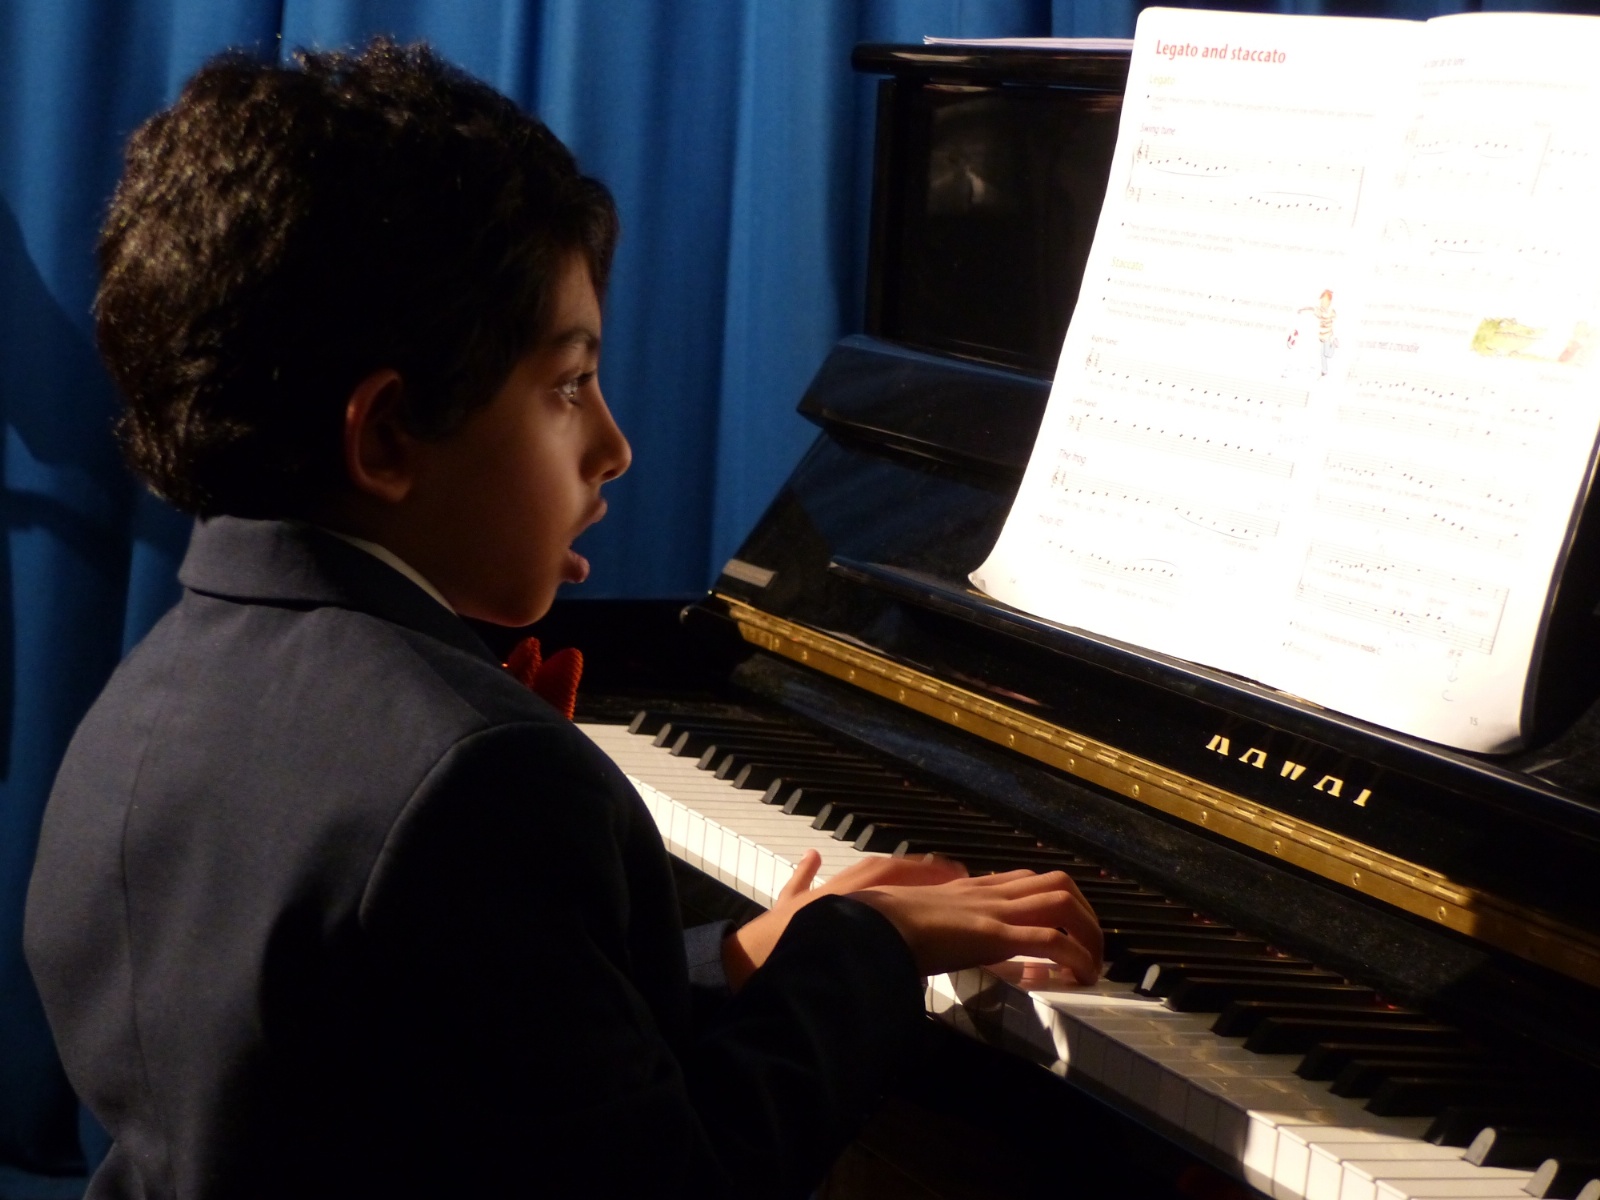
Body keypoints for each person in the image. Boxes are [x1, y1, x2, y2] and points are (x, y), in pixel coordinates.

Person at [23, 40, 1101, 1199]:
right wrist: (864, 949)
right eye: (569, 386)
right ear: (385, 437)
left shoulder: (148, 693)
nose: (614, 446)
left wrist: (736, 957)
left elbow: (434, 1038)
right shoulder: (480, 779)